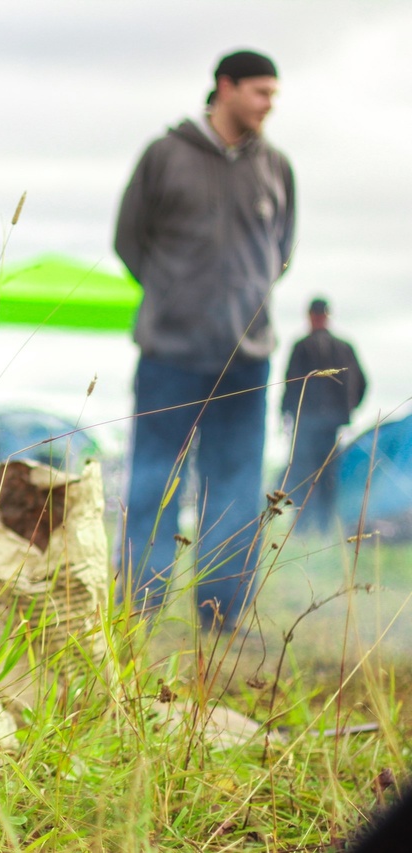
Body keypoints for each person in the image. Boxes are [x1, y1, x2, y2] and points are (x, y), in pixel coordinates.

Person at [114, 49, 296, 631]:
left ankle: (221, 616)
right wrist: (175, 297)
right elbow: (129, 240)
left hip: (247, 360)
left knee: (239, 493)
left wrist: (245, 300)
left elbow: (282, 253)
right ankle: (137, 609)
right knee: (154, 484)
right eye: (261, 92)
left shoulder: (276, 168)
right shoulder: (165, 156)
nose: (270, 104)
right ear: (226, 87)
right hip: (170, 353)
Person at [280, 298, 367, 534]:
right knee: (320, 477)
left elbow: (290, 385)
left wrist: (286, 414)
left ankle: (311, 528)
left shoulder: (304, 346)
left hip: (315, 425)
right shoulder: (343, 347)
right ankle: (315, 528)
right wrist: (346, 410)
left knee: (311, 476)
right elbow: (362, 384)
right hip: (322, 425)